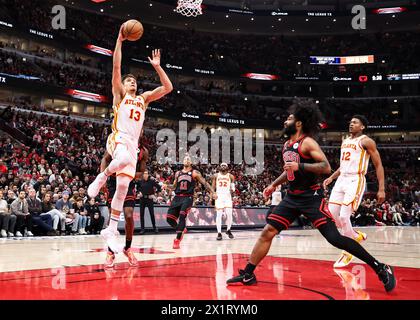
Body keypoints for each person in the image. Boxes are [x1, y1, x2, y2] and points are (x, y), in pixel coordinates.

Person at [226, 100, 396, 293]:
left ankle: (380, 267)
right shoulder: (287, 145)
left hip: (311, 197)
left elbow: (326, 167)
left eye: (289, 119)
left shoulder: (307, 142)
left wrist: (301, 166)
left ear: (298, 124)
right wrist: (274, 184)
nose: (284, 122)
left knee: (334, 238)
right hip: (292, 197)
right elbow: (289, 170)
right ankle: (248, 273)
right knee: (268, 232)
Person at [87, 24, 173, 253]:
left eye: (134, 80)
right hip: (117, 138)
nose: (132, 82)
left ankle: (112, 229)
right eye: (129, 81)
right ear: (122, 85)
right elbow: (116, 66)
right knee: (123, 159)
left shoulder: (143, 99)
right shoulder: (119, 95)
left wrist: (157, 66)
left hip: (132, 145)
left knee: (123, 187)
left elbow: (168, 87)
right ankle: (102, 177)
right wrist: (119, 41)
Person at [323, 115, 385, 268]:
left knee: (344, 217)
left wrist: (381, 188)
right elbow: (343, 166)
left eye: (355, 122)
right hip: (341, 180)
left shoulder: (366, 141)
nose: (351, 124)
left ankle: (348, 251)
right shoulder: (345, 141)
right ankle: (355, 236)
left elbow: (378, 165)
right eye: (350, 122)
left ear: (362, 127)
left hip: (355, 180)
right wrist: (331, 177)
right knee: (331, 216)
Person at [101, 145, 149, 268]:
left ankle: (127, 248)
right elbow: (105, 159)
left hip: (128, 182)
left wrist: (126, 172)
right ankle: (110, 252)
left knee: (128, 215)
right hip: (112, 182)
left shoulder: (143, 151)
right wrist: (103, 177)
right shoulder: (116, 143)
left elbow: (141, 172)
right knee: (113, 216)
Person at [165, 154, 217, 249]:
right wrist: (167, 186)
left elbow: (205, 183)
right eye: (185, 158)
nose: (187, 160)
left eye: (189, 159)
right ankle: (181, 229)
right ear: (182, 161)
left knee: (182, 215)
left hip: (187, 197)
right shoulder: (178, 173)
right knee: (169, 219)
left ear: (191, 162)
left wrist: (213, 192)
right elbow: (174, 186)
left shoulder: (195, 173)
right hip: (177, 197)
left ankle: (177, 240)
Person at [211, 163, 235, 240]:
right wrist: (213, 194)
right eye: (222, 165)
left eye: (224, 165)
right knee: (219, 215)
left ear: (227, 167)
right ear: (220, 167)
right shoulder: (216, 175)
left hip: (227, 196)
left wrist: (233, 189)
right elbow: (213, 187)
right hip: (219, 196)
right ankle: (219, 233)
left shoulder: (231, 176)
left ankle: (228, 230)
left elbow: (233, 186)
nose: (223, 166)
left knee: (229, 214)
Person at [137, 170, 161, 234]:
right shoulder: (140, 181)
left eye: (146, 174)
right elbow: (137, 189)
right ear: (143, 175)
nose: (145, 175)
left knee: (152, 214)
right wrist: (139, 193)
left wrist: (155, 195)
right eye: (144, 174)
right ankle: (142, 229)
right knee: (141, 214)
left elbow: (159, 187)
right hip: (142, 199)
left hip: (149, 199)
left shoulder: (152, 181)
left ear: (148, 174)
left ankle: (154, 228)